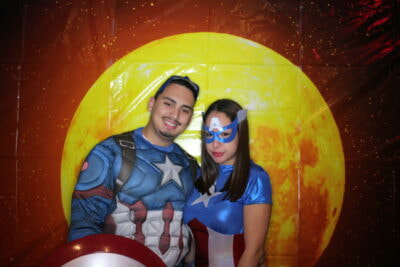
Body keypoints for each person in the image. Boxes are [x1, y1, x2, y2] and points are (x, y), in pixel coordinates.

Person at [68, 75, 201, 267]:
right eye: (168, 103)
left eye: (185, 110)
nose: (175, 114)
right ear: (152, 104)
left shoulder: (191, 166)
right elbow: (83, 227)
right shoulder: (110, 153)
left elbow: (192, 232)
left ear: (189, 118)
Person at [183, 99, 272, 267]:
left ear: (241, 132)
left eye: (225, 134)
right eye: (209, 134)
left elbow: (254, 252)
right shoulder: (199, 177)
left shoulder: (255, 178)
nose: (215, 144)